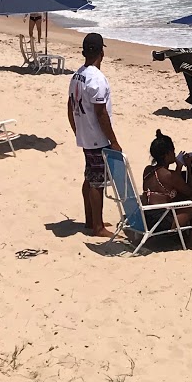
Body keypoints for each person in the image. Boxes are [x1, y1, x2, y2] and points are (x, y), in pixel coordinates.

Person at [68, 32, 121, 237]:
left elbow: (70, 106)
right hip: (97, 137)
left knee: (89, 177)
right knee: (97, 182)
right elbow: (101, 113)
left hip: (85, 134)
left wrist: (77, 130)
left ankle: (91, 220)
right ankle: (97, 226)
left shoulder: (77, 75)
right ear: (101, 52)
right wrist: (114, 141)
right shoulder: (97, 79)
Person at [142, 129, 192, 237]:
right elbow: (191, 192)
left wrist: (178, 168)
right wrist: (189, 167)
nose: (174, 153)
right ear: (167, 154)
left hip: (146, 217)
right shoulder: (169, 175)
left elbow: (170, 187)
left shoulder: (148, 170)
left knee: (180, 195)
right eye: (173, 151)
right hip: (161, 222)